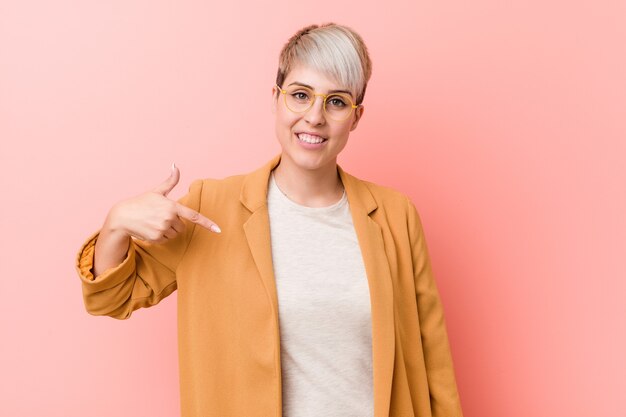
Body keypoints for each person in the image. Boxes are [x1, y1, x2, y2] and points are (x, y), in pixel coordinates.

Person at [75, 22, 464, 417]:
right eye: (300, 95)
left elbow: (433, 361)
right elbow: (112, 297)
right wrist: (117, 224)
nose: (314, 117)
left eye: (336, 102)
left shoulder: (396, 215)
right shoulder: (211, 206)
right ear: (275, 99)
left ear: (356, 116)